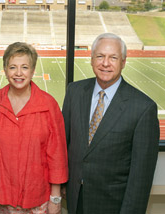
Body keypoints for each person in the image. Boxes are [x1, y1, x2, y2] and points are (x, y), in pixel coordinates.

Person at [62, 33, 160, 214]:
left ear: (123, 62)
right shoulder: (74, 92)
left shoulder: (143, 108)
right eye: (100, 56)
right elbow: (63, 145)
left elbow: (141, 178)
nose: (105, 63)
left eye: (113, 58)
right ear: (91, 60)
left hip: (113, 205)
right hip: (75, 199)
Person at [0, 42, 68, 214]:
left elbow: (57, 154)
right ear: (5, 70)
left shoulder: (48, 105)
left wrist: (55, 197)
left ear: (33, 70)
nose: (19, 73)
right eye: (13, 67)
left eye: (25, 67)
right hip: (1, 196)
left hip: (38, 197)